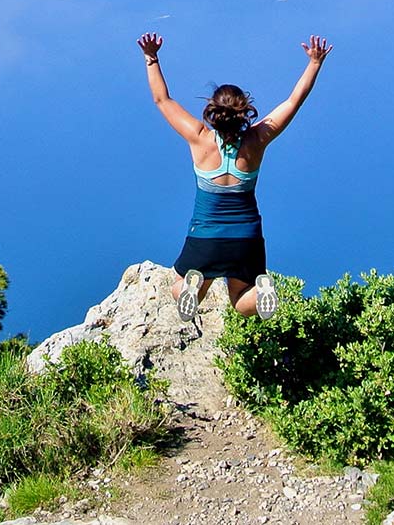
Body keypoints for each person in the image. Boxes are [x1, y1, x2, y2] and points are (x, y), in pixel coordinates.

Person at [137, 32, 333, 321]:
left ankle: (192, 286)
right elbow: (293, 101)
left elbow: (162, 100)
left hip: (205, 237)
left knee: (181, 287)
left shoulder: (199, 138)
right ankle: (261, 292)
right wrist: (315, 63)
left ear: (213, 113)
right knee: (241, 300)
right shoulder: (257, 140)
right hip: (246, 239)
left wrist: (151, 58)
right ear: (244, 112)